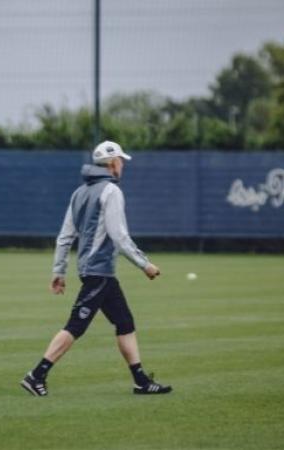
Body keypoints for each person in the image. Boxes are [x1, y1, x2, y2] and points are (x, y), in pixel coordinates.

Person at [20, 140, 172, 396]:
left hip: (97, 272)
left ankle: (141, 381)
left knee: (125, 322)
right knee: (75, 326)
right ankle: (36, 375)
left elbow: (65, 236)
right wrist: (145, 265)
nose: (122, 165)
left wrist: (59, 271)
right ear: (112, 163)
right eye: (121, 160)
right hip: (98, 272)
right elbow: (119, 236)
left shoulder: (79, 192)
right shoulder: (111, 191)